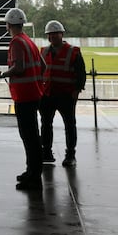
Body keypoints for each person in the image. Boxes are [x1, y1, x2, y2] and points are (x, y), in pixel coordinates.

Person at [0, 8, 44, 190]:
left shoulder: (16, 42)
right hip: (34, 94)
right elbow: (43, 66)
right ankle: (33, 171)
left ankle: (34, 175)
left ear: (8, 25)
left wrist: (3, 74)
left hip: (24, 96)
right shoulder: (29, 41)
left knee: (28, 136)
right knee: (33, 135)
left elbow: (19, 67)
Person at [40, 20, 86, 167]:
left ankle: (70, 155)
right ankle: (46, 152)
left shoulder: (73, 52)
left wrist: (76, 90)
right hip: (48, 94)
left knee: (69, 125)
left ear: (62, 34)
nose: (52, 37)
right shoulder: (44, 51)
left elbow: (81, 74)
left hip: (66, 95)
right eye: (50, 35)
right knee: (46, 124)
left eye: (55, 34)